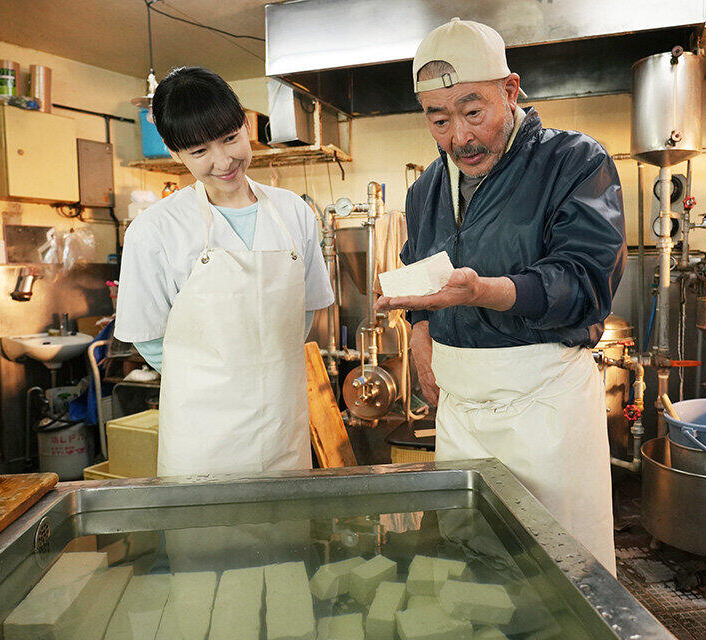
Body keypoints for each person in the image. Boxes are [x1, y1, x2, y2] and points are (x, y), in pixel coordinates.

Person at [376, 18, 626, 574]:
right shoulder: (426, 190)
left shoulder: (573, 162)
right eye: (439, 120)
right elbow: (420, 269)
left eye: (473, 112)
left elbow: (586, 282)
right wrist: (418, 330)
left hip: (543, 406)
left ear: (510, 91)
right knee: (469, 567)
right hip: (461, 410)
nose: (458, 137)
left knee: (556, 570)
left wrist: (486, 291)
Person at [115, 67, 334, 478]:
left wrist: (263, 371)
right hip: (202, 438)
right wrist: (216, 379)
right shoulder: (155, 230)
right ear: (173, 151)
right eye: (199, 152)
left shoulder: (294, 213)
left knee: (286, 537)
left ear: (245, 124)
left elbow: (305, 312)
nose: (223, 161)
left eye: (231, 138)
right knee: (204, 539)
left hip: (282, 431)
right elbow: (147, 335)